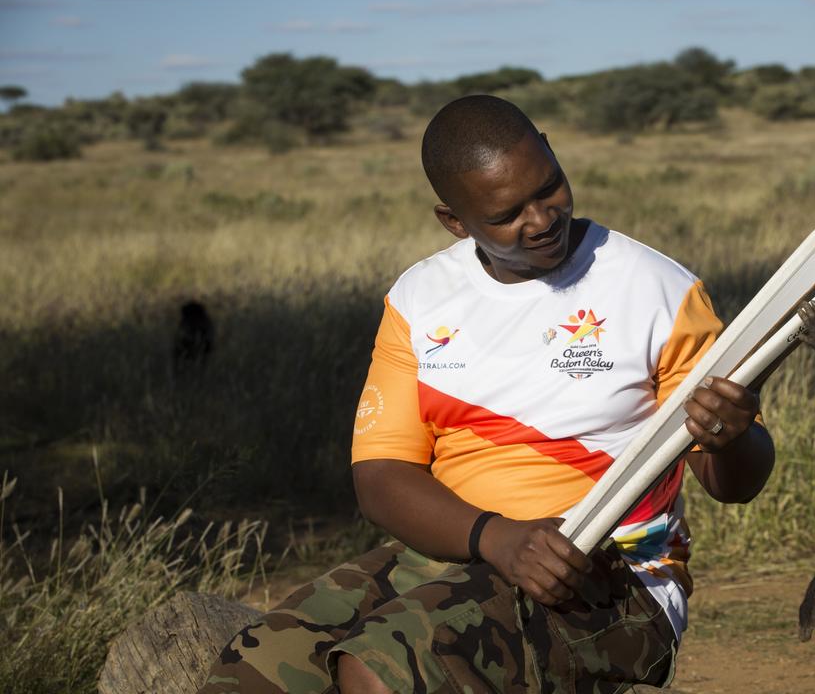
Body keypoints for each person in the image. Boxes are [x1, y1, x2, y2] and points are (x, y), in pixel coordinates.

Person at [199, 95, 774, 693]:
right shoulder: (419, 298)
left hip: (610, 576)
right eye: (507, 214)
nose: (541, 219)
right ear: (455, 220)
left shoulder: (657, 288)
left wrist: (731, 440)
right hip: (455, 553)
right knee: (257, 661)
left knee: (383, 666)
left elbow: (734, 483)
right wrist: (496, 537)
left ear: (550, 150)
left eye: (549, 187)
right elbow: (381, 478)